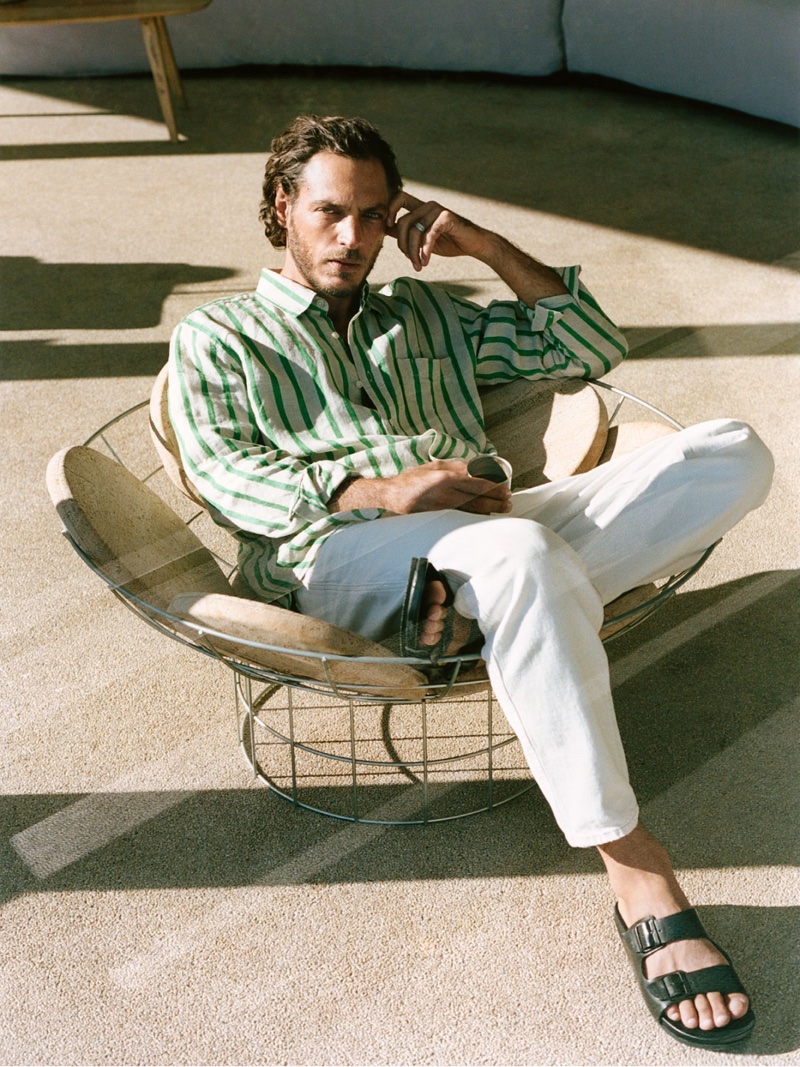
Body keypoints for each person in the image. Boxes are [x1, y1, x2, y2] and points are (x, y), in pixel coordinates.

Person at [169, 115, 773, 1050]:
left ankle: (467, 622)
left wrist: (485, 246)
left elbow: (592, 345)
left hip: (488, 533)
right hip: (340, 552)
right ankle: (634, 863)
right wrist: (383, 490)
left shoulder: (426, 314)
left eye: (374, 217)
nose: (354, 238)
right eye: (330, 212)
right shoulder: (219, 335)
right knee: (523, 560)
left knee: (733, 453)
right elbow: (224, 474)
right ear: (283, 207)